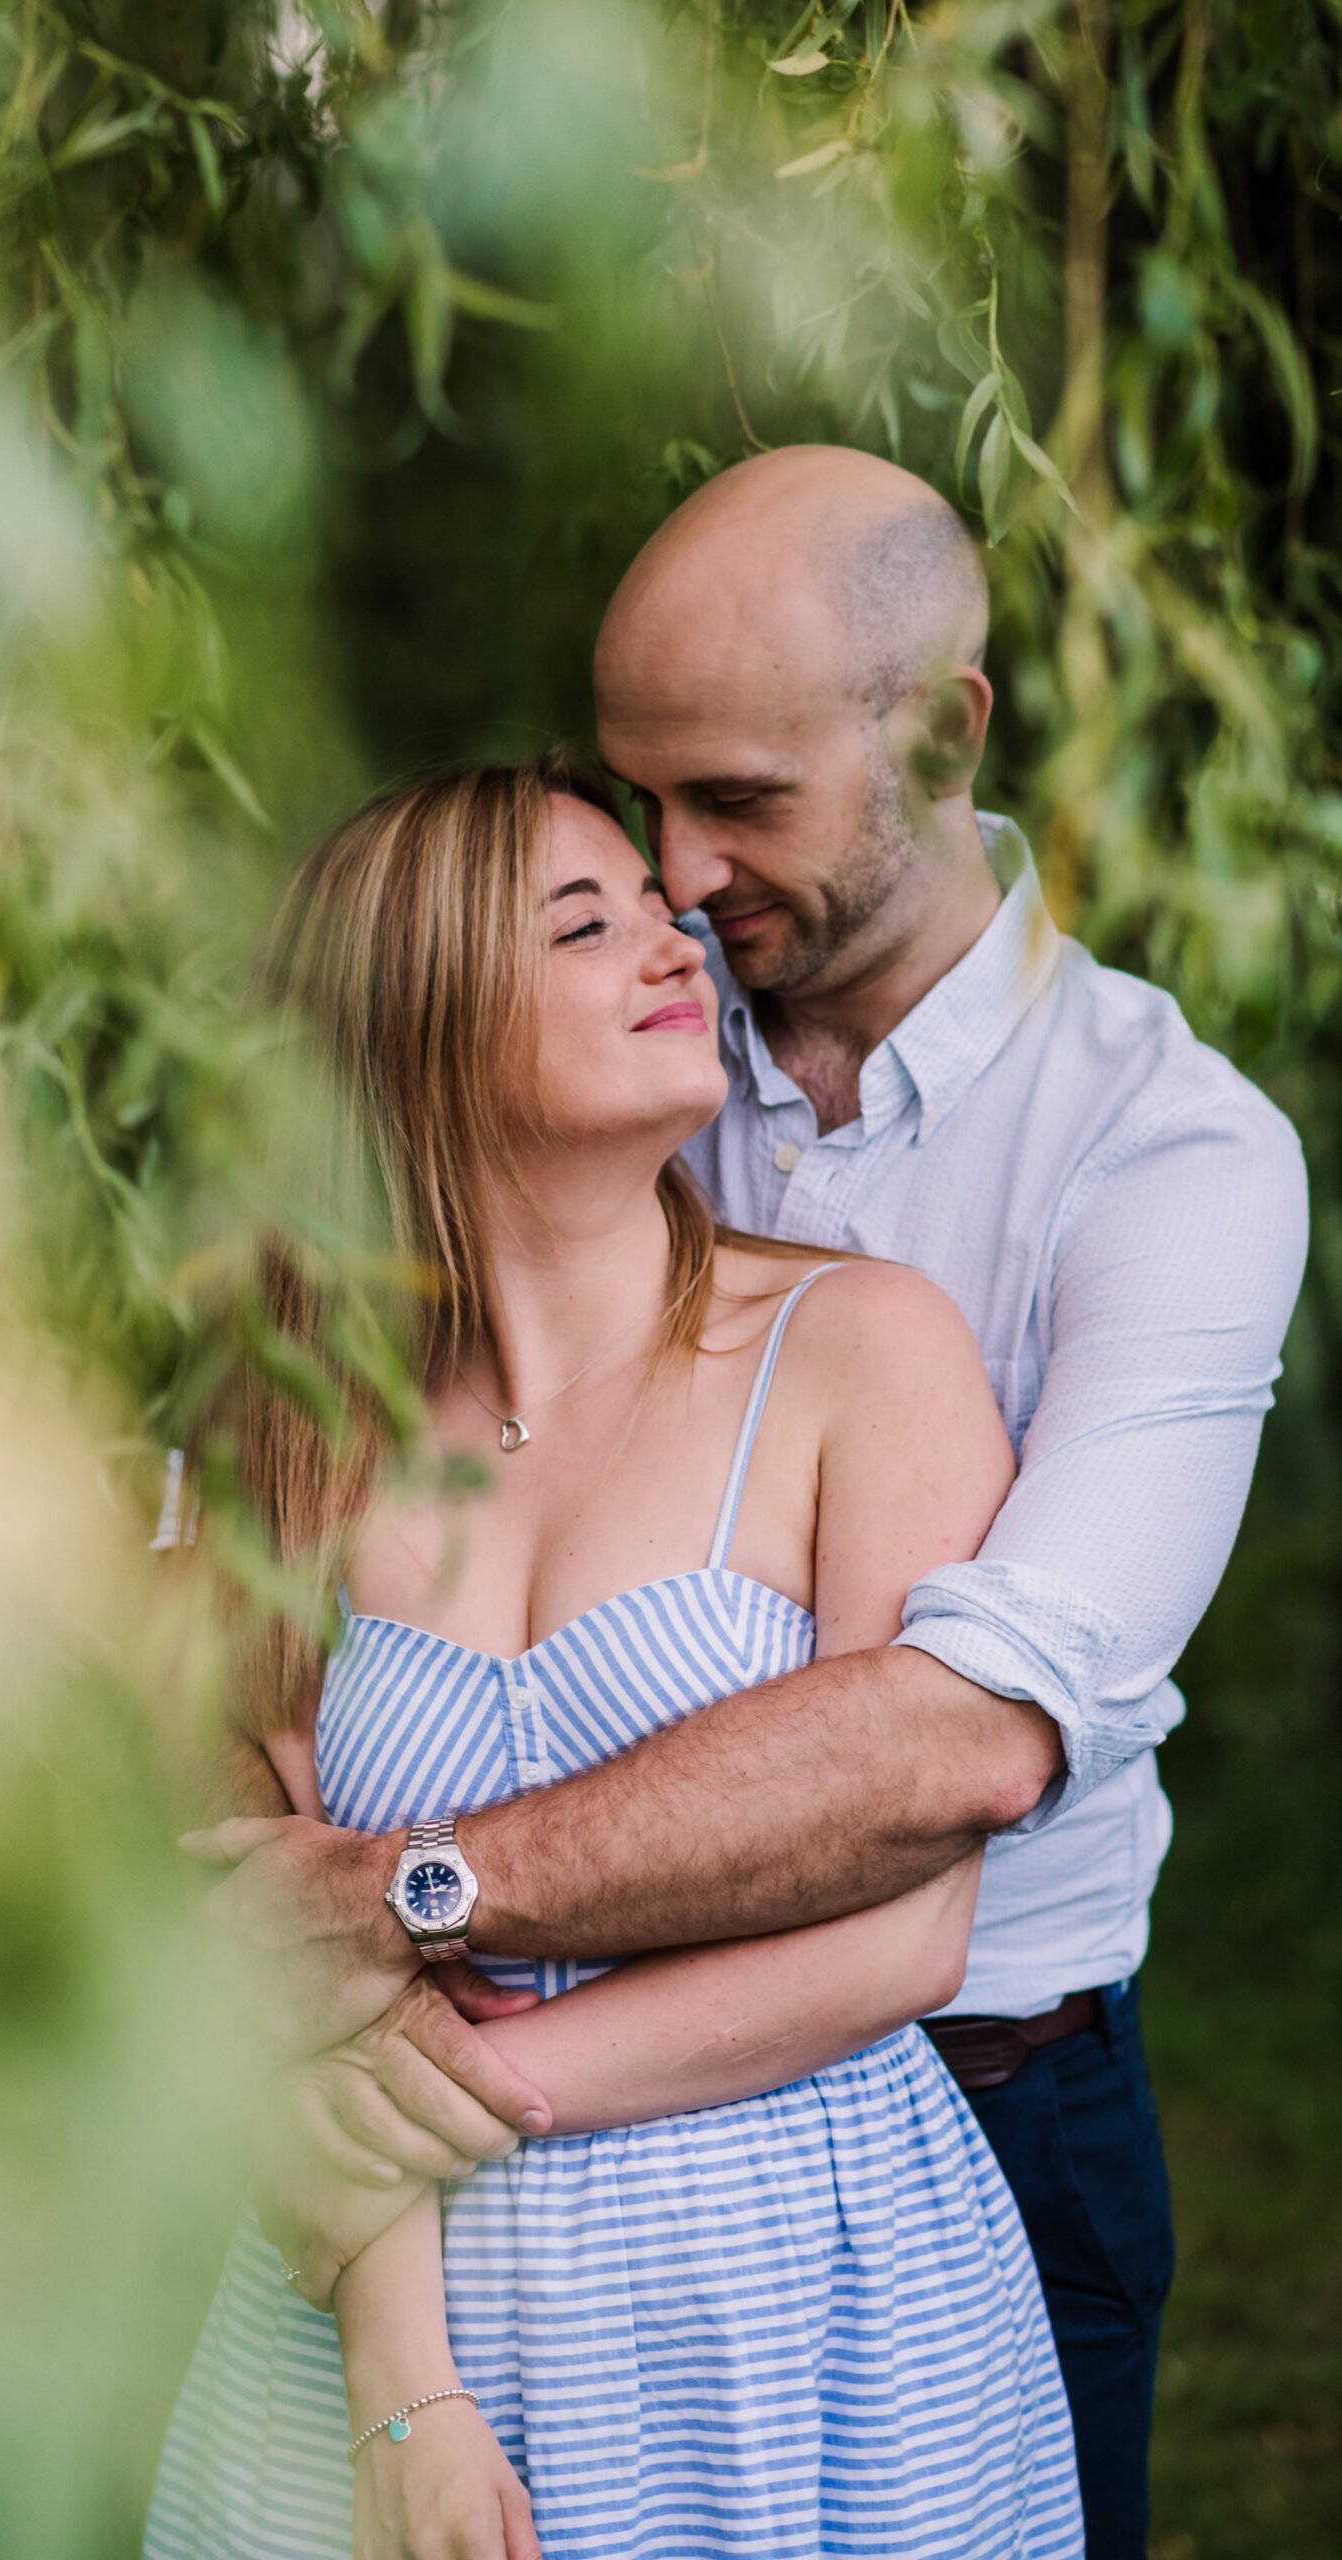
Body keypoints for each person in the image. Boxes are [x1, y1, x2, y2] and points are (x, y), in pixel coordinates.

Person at [194, 450, 1309, 2559]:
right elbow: (259, 1586)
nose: (679, 882)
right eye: (627, 820)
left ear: (940, 734)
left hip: (962, 2101)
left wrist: (407, 1908)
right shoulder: (599, 1091)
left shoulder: (1161, 1155)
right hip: (423, 2202)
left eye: (732, 803)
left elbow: (958, 1737)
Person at [146, 761, 1083, 2558]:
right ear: (409, 1023)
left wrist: (430, 2110)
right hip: (374, 2313)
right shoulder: (286, 1432)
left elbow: (908, 1932)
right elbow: (269, 1936)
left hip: (798, 2286)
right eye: (586, 923)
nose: (674, 940)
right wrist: (400, 2390)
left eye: (655, 910)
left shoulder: (857, 1351)